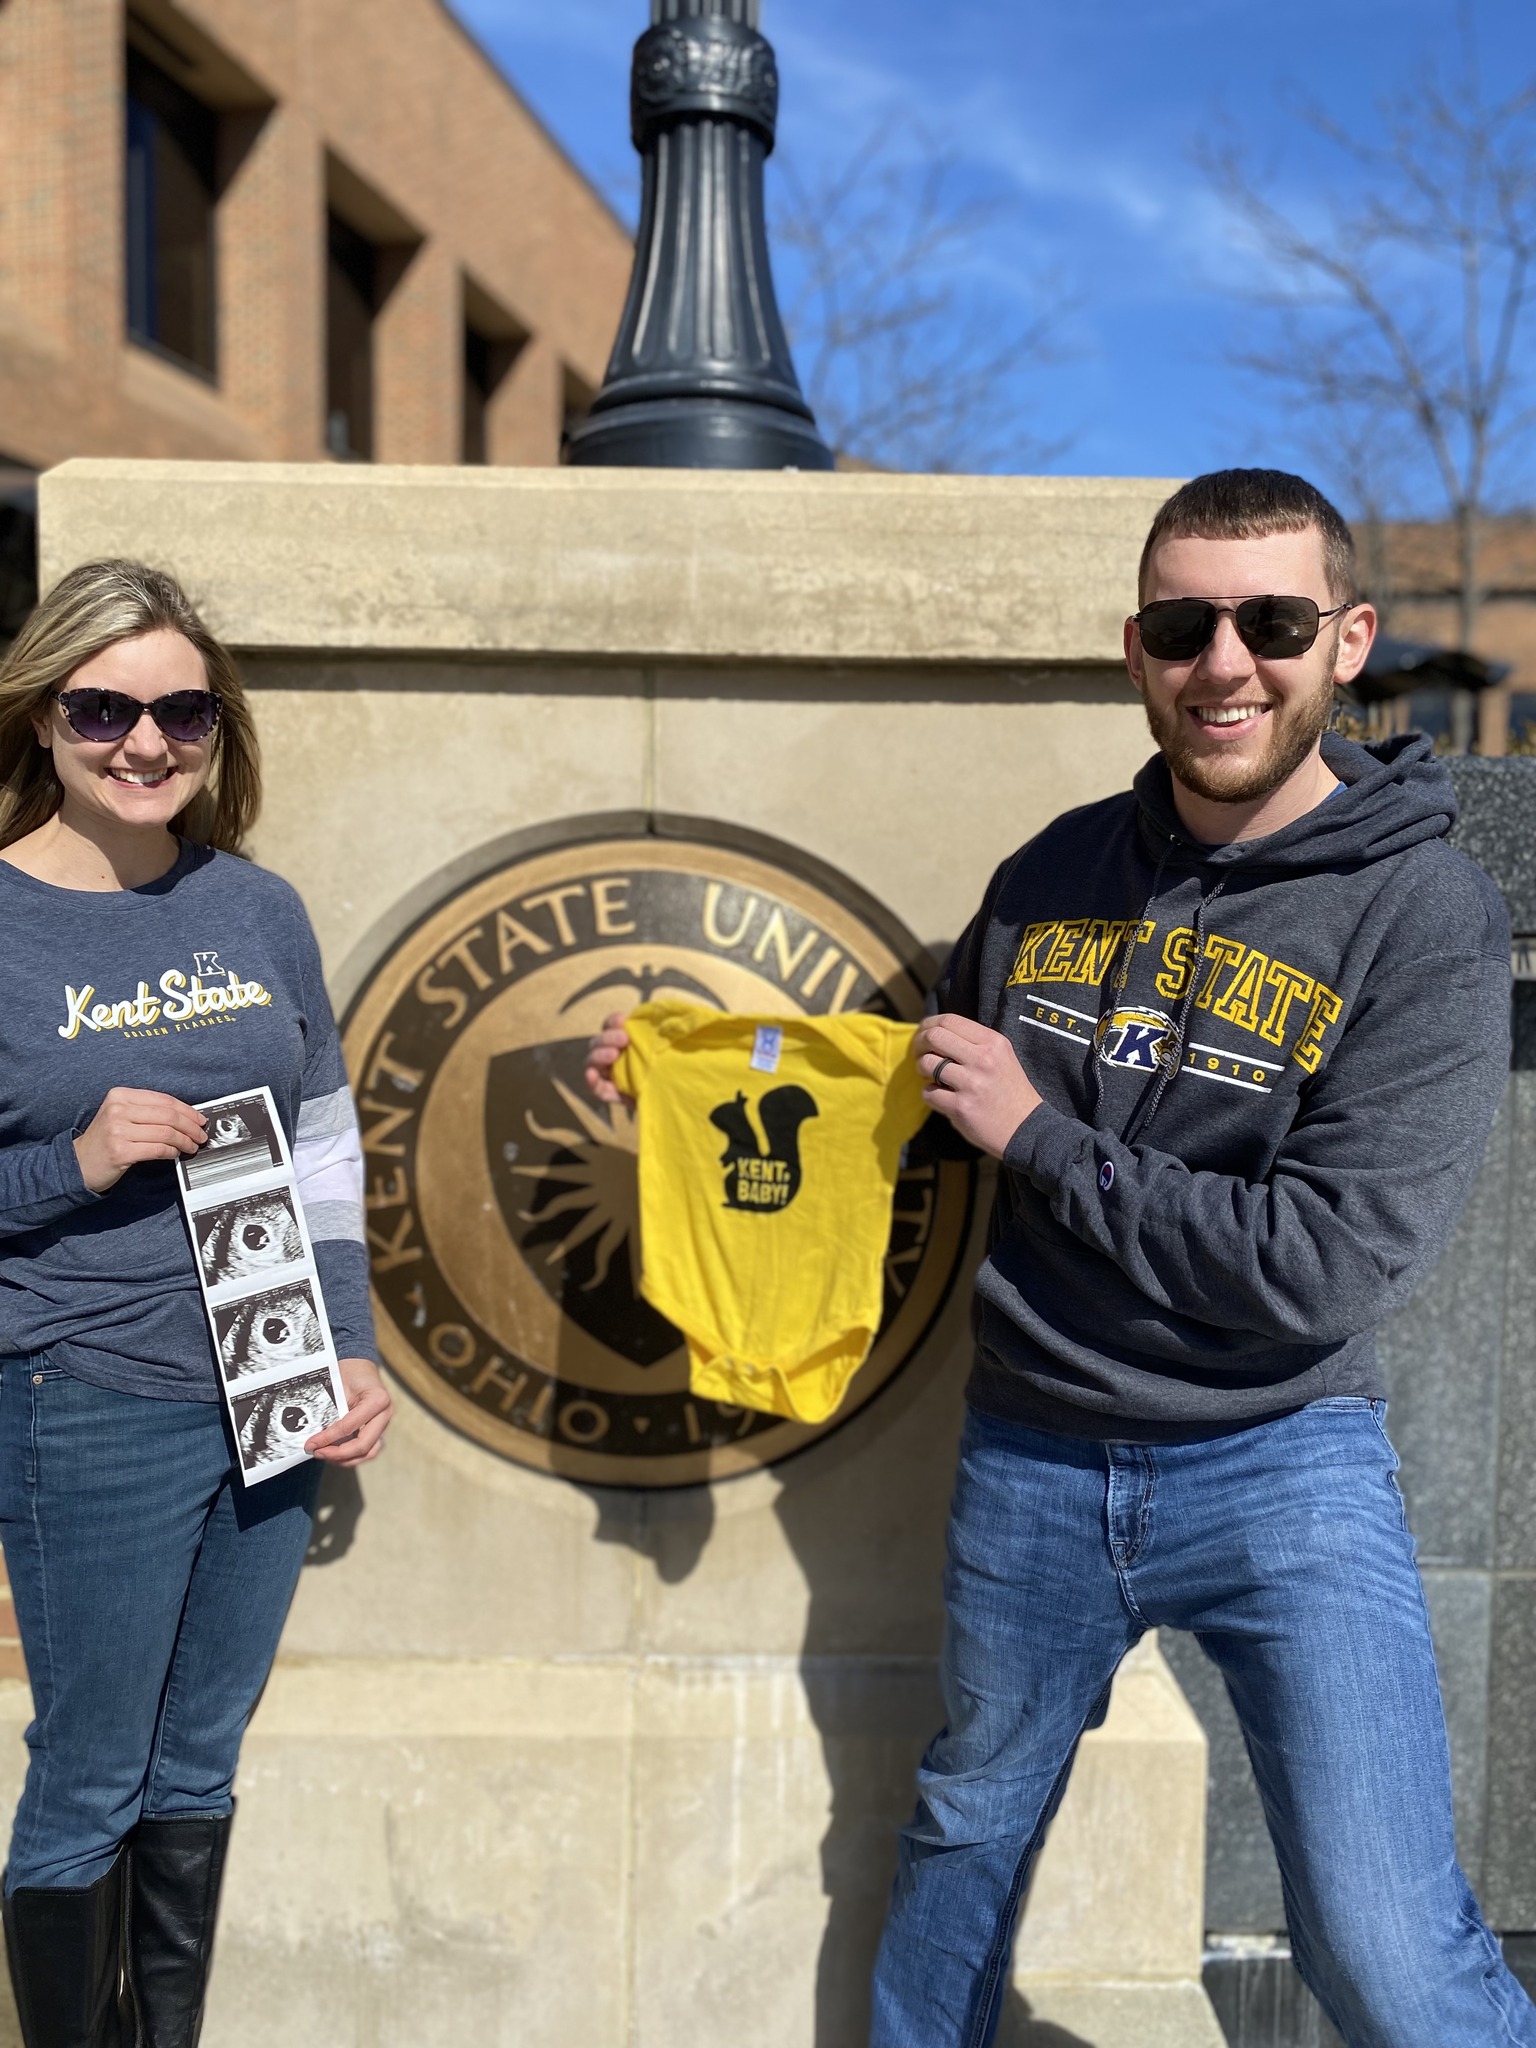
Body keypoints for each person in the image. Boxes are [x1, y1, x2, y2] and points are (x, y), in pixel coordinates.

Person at [589, 466, 1530, 2048]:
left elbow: (1320, 1265)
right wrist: (708, 1095)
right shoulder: (1052, 876)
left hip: (1280, 1466)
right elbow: (921, 1094)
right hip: (1031, 1456)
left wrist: (1042, 1138)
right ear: (1137, 647)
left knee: (1381, 1950)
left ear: (1348, 642)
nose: (1224, 660)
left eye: (1272, 622)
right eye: (1184, 624)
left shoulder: (1422, 914)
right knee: (963, 1841)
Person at [0, 560, 392, 2047]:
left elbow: (326, 1149)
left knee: (200, 1763)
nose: (146, 743)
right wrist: (75, 1162)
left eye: (183, 711)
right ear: (43, 717)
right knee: (95, 1768)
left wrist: (348, 1342)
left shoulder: (257, 907)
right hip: (82, 1389)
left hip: (271, 1373)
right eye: (105, 708)